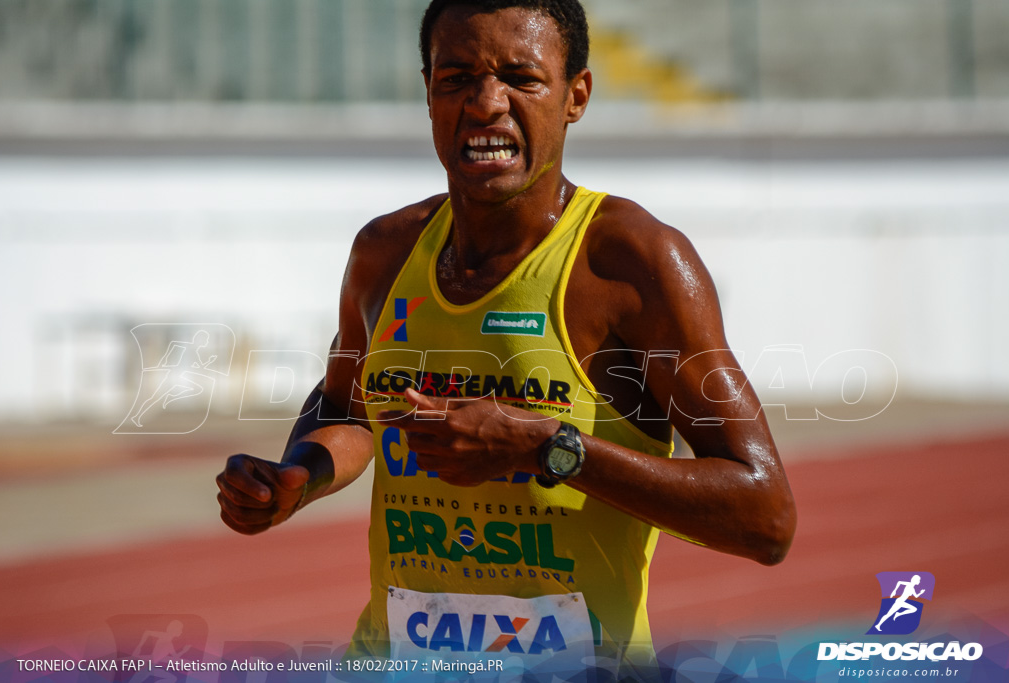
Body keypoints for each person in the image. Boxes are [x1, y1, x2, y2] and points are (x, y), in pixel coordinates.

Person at [216, 0, 796, 678]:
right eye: (457, 77)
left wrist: (545, 445)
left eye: (522, 78)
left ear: (577, 94)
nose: (486, 104)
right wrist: (297, 477)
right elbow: (350, 408)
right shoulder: (383, 253)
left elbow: (764, 515)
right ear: (428, 91)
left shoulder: (632, 263)